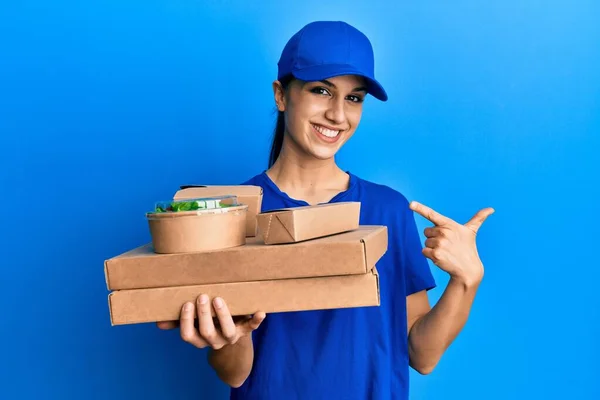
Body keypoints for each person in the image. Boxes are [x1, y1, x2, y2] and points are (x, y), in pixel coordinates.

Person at [158, 20, 494, 400]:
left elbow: (422, 354)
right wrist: (227, 339)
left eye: (354, 98)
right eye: (321, 90)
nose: (338, 114)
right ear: (281, 95)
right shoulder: (235, 212)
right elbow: (236, 374)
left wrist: (466, 282)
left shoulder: (388, 210)